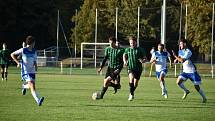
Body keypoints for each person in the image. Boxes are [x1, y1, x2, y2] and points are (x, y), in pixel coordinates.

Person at [11, 36, 45, 106]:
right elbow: (12, 54)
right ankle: (38, 100)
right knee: (32, 85)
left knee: (31, 85)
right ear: (32, 43)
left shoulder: (34, 51)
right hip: (25, 71)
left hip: (32, 71)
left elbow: (34, 60)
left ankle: (24, 86)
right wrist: (18, 63)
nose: (35, 44)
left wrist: (36, 66)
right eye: (34, 42)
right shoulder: (23, 50)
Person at [172, 39, 207, 103]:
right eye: (179, 44)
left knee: (196, 87)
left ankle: (204, 98)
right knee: (178, 82)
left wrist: (175, 56)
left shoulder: (188, 52)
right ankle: (186, 91)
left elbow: (182, 60)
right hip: (185, 71)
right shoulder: (180, 51)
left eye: (181, 44)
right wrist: (176, 60)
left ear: (185, 44)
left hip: (192, 71)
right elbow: (180, 57)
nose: (180, 45)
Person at [123, 36, 147, 101]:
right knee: (131, 78)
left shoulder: (140, 49)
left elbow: (145, 58)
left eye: (133, 43)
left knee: (135, 84)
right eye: (131, 43)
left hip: (138, 69)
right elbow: (124, 55)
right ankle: (131, 95)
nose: (132, 44)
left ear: (136, 42)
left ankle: (131, 92)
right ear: (129, 43)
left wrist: (142, 61)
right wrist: (125, 61)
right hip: (130, 67)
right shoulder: (127, 49)